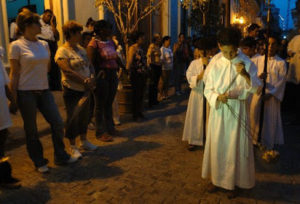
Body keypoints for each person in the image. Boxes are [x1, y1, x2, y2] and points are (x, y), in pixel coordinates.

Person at [9, 11, 77, 173]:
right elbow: (15, 73)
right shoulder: (16, 46)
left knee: (58, 123)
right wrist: (13, 98)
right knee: (32, 130)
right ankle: (39, 161)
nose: (41, 26)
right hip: (26, 92)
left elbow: (46, 67)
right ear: (27, 26)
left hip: (44, 90)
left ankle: (60, 156)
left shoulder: (44, 44)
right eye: (37, 23)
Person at [202, 27, 261, 198]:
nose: (230, 55)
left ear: (238, 47)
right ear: (220, 46)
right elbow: (208, 88)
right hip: (219, 111)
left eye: (233, 51)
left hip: (237, 109)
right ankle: (216, 179)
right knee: (218, 144)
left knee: (233, 146)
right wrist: (215, 97)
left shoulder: (247, 62)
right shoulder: (215, 62)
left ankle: (233, 182)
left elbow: (256, 88)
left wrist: (245, 74)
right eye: (226, 51)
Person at [55, 21, 98, 159]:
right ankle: (73, 146)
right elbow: (67, 71)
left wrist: (91, 77)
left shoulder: (81, 49)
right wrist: (84, 80)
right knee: (73, 117)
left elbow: (90, 65)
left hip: (86, 89)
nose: (80, 35)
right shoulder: (62, 51)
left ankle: (84, 141)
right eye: (78, 32)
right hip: (72, 89)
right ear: (71, 34)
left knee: (85, 116)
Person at [87, 20, 124, 141]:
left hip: (112, 74)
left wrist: (124, 68)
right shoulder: (93, 44)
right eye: (108, 27)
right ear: (101, 29)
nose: (110, 30)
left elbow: (116, 57)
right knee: (100, 105)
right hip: (102, 75)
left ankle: (110, 128)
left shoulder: (110, 42)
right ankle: (100, 132)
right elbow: (91, 63)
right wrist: (97, 74)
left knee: (109, 103)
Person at [250, 36, 286, 149]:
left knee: (269, 120)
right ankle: (254, 140)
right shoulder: (256, 60)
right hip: (258, 94)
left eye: (273, 44)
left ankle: (267, 143)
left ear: (278, 46)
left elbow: (282, 81)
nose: (270, 47)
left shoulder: (281, 63)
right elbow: (250, 77)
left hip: (272, 97)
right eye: (268, 44)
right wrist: (259, 78)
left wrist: (271, 94)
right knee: (254, 117)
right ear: (264, 45)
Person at [0, 46, 21, 189]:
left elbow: (4, 82)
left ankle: (4, 176)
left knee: (1, 142)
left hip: (1, 110)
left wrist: (12, 100)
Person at [182, 43, 208, 151]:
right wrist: (199, 76)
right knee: (196, 116)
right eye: (200, 51)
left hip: (208, 94)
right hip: (197, 93)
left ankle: (208, 139)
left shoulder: (213, 63)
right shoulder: (194, 63)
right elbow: (189, 76)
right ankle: (194, 139)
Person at [37, 9, 61, 91]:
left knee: (54, 68)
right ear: (43, 15)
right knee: (45, 68)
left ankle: (55, 87)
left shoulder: (51, 25)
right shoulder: (38, 23)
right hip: (43, 46)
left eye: (51, 16)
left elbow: (57, 37)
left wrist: (52, 24)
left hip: (52, 46)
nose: (49, 18)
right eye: (48, 16)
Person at [126, 32, 148, 121]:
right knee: (136, 94)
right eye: (142, 38)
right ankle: (135, 114)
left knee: (141, 94)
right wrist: (127, 71)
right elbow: (130, 61)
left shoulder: (140, 49)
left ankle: (139, 112)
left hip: (142, 74)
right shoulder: (133, 48)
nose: (143, 39)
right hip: (136, 74)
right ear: (137, 39)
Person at [147, 33, 162, 107]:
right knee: (152, 84)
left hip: (158, 66)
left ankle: (155, 99)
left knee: (156, 84)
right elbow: (149, 55)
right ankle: (151, 101)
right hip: (153, 66)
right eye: (158, 38)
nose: (160, 39)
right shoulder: (152, 46)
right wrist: (150, 64)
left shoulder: (158, 46)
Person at [159, 36, 173, 100]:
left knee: (167, 82)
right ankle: (161, 94)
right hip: (164, 68)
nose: (170, 42)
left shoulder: (169, 48)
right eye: (169, 40)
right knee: (163, 82)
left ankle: (166, 94)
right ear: (165, 41)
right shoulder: (162, 49)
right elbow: (161, 58)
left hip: (169, 67)